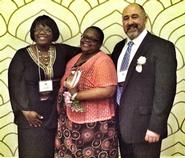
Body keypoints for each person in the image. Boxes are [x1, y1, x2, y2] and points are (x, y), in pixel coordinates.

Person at [8, 15, 81, 158]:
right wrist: (25, 110)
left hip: (54, 113)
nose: (42, 32)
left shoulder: (61, 51)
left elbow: (86, 51)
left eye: (47, 29)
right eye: (38, 29)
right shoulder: (21, 55)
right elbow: (15, 84)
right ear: (33, 33)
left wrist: (105, 59)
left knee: (50, 152)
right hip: (30, 116)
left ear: (54, 33)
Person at [111, 3, 177, 158]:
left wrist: (156, 127)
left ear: (145, 19)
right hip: (121, 124)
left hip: (146, 127)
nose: (130, 22)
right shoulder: (119, 47)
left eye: (135, 17)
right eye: (125, 18)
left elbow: (165, 90)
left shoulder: (162, 47)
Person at [55, 26, 118, 158]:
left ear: (100, 43)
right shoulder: (76, 58)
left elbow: (108, 90)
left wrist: (76, 95)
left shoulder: (103, 61)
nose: (86, 41)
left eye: (92, 39)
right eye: (84, 37)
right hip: (70, 122)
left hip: (94, 126)